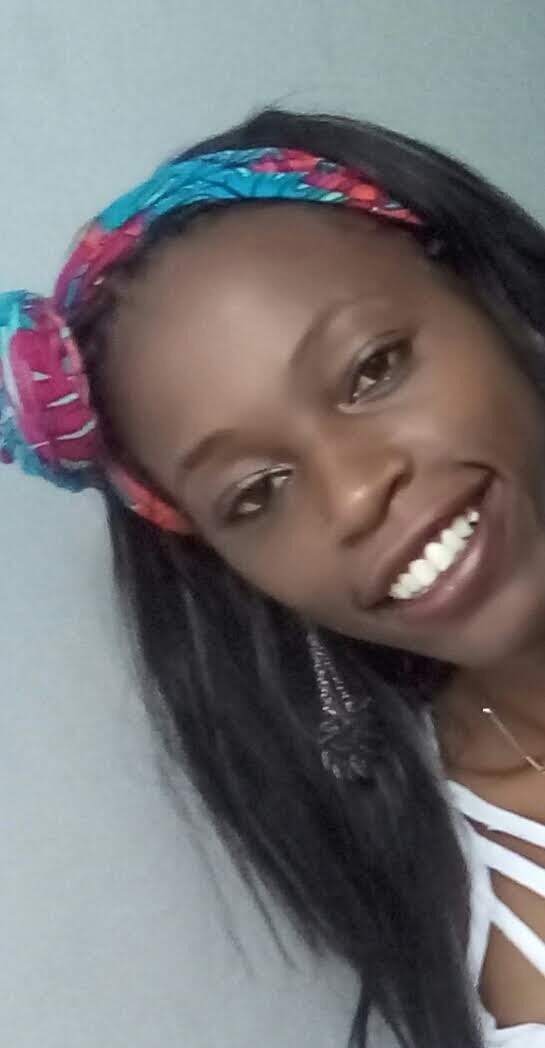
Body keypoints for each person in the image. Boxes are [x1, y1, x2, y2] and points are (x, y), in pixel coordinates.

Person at [1, 108, 545, 1048]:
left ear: (489, 297)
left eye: (372, 369)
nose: (356, 493)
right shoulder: (446, 885)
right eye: (256, 493)